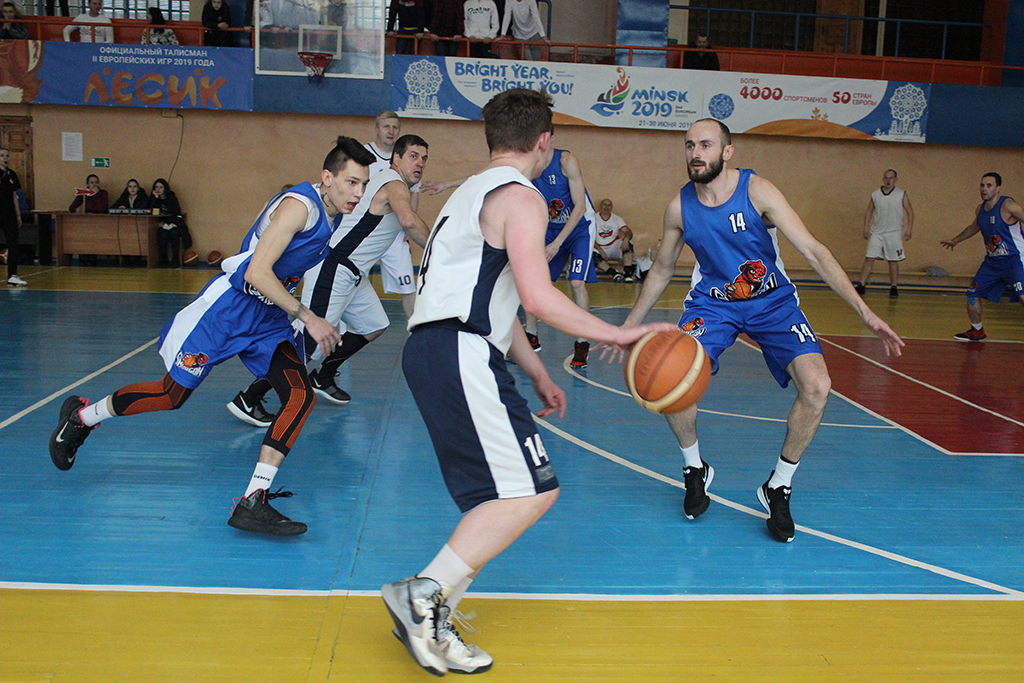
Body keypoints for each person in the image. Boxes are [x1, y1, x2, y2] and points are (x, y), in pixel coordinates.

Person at [379, 88, 676, 677]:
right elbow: (539, 296)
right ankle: (423, 594)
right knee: (532, 491)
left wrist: (538, 369)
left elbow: (500, 297)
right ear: (545, 142)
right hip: (459, 351)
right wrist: (618, 335)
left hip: (433, 349)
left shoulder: (466, 193)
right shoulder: (524, 197)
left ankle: (432, 616)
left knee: (496, 498)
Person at [47, 137, 374, 537]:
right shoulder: (299, 207)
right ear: (328, 177)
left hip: (267, 319)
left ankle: (254, 499)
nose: (358, 193)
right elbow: (256, 272)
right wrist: (309, 317)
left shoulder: (333, 213)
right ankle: (81, 417)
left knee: (300, 395)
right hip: (225, 313)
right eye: (352, 182)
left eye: (363, 184)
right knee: (171, 396)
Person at [622, 118, 903, 543]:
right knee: (674, 379)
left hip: (772, 302)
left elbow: (813, 250)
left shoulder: (758, 191)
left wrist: (863, 311)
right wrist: (627, 326)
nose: (696, 153)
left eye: (706, 145)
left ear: (727, 152)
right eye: (689, 145)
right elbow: (662, 268)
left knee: (818, 386)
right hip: (713, 304)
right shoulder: (679, 208)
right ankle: (694, 467)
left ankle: (779, 484)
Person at [228, 134, 430, 426]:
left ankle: (321, 377)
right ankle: (249, 397)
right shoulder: (394, 183)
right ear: (396, 158)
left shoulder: (384, 181)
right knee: (307, 344)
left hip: (353, 273)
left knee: (374, 325)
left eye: (424, 158)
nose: (420, 163)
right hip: (334, 267)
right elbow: (409, 221)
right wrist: (442, 250)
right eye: (413, 155)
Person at [421, 147, 598, 367]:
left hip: (579, 227)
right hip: (550, 228)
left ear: (548, 137)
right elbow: (485, 177)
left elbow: (579, 207)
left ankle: (582, 343)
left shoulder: (566, 161)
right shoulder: (525, 164)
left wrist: (556, 244)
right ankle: (531, 336)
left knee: (576, 282)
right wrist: (446, 184)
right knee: (530, 280)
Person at [940, 172, 1024, 342]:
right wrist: (955, 240)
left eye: (989, 185)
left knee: (1022, 295)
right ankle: (977, 331)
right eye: (982, 185)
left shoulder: (1008, 205)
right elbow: (974, 227)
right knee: (972, 294)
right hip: (992, 263)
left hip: (1014, 260)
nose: (984, 189)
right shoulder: (980, 210)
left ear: (998, 188)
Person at [365, 111, 420, 321]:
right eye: (386, 126)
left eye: (395, 127)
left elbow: (414, 192)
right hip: (367, 231)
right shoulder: (364, 154)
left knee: (408, 287)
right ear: (377, 129)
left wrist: (408, 226)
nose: (390, 131)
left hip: (394, 232)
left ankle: (415, 332)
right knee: (351, 281)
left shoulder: (408, 157)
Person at [856, 169, 913, 299]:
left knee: (893, 260)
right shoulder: (875, 194)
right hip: (877, 232)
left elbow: (910, 211)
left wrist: (909, 229)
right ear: (883, 179)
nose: (888, 180)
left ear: (895, 179)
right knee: (869, 258)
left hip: (894, 232)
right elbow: (869, 210)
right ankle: (861, 285)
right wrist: (865, 227)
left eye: (891, 178)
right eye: (886, 178)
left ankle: (893, 287)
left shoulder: (901, 194)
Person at [68, 174, 109, 266]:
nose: (94, 185)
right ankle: (83, 257)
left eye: (96, 182)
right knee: (82, 236)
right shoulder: (83, 194)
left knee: (93, 237)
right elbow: (71, 208)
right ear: (87, 184)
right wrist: (76, 209)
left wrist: (96, 195)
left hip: (98, 222)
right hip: (84, 221)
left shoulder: (103, 193)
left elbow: (102, 209)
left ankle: (92, 258)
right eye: (91, 182)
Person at [149, 178, 189, 267]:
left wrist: (169, 223)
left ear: (165, 188)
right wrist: (156, 199)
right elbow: (151, 211)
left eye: (161, 187)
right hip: (160, 225)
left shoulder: (172, 198)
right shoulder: (153, 199)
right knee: (162, 234)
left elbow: (176, 213)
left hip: (173, 223)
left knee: (174, 234)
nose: (158, 189)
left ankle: (175, 260)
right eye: (156, 187)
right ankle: (163, 260)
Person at [593, 197, 635, 282]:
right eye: (604, 204)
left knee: (629, 244)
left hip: (612, 246)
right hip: (598, 247)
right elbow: (588, 237)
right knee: (590, 253)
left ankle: (627, 274)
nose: (606, 207)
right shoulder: (593, 218)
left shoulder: (617, 219)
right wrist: (600, 250)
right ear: (600, 206)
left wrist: (626, 239)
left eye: (609, 205)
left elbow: (628, 231)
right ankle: (614, 273)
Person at [0, 147, 24, 287]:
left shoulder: (11, 174)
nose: (5, 158)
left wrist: (18, 214)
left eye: (7, 156)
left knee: (13, 243)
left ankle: (12, 275)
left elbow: (14, 196)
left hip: (9, 213)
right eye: (2, 155)